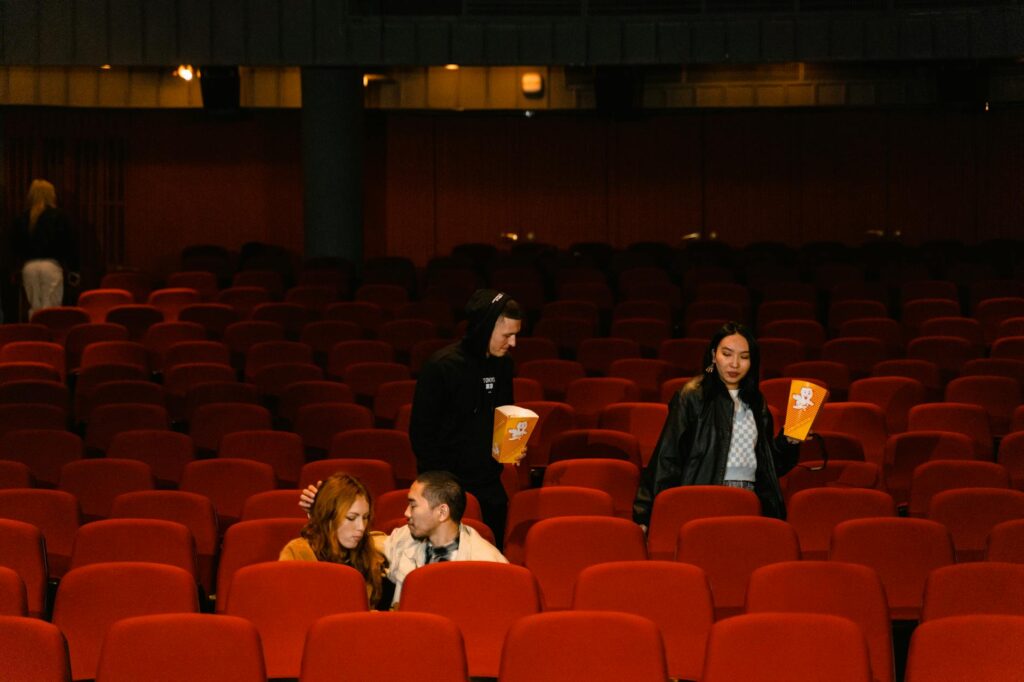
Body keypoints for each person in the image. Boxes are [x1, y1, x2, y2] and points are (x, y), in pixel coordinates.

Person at [633, 321, 801, 528]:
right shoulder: (693, 396)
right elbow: (668, 456)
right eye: (727, 354)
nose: (734, 364)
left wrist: (788, 442)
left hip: (750, 498)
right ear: (714, 355)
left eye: (744, 357)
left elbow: (767, 466)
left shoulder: (756, 401)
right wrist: (646, 513)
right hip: (705, 494)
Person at [408, 289, 523, 543]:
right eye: (507, 335)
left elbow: (504, 411)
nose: (512, 343)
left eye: (515, 335)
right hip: (445, 487)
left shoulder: (503, 364)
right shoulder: (442, 366)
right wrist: (440, 490)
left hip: (488, 482)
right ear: (485, 328)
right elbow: (421, 435)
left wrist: (512, 442)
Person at [300, 470, 507, 607]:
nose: (406, 513)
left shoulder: (488, 563)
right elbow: (351, 543)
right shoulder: (403, 539)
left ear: (442, 512)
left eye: (413, 505)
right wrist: (322, 513)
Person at [281, 473, 390, 609]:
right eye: (351, 518)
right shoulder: (297, 553)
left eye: (365, 517)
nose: (361, 527)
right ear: (328, 517)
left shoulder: (370, 553)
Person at [10, 179, 79, 318]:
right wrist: (74, 269)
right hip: (51, 266)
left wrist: (15, 269)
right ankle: (49, 337)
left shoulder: (22, 218)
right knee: (51, 310)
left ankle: (34, 335)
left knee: (34, 308)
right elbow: (69, 244)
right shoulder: (59, 217)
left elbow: (14, 247)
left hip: (29, 267)